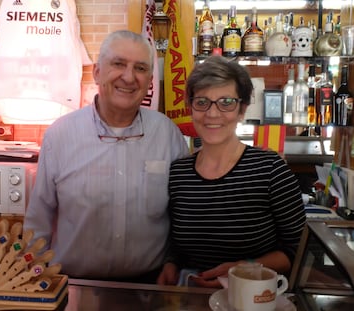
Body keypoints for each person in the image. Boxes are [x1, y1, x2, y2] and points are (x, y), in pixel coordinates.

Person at [23, 30, 189, 283]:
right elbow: (39, 217)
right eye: (119, 64)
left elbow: (181, 213)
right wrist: (33, 278)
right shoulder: (60, 135)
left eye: (141, 68)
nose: (129, 77)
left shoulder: (167, 133)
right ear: (97, 72)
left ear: (149, 81)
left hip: (150, 285)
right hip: (72, 284)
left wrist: (174, 260)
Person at [157, 56, 307, 288]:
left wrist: (241, 271)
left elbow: (296, 250)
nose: (213, 114)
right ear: (191, 107)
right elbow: (176, 247)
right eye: (202, 102)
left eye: (226, 102)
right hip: (192, 300)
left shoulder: (271, 170)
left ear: (242, 110)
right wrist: (170, 265)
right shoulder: (179, 173)